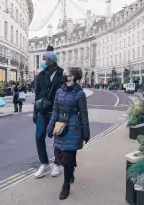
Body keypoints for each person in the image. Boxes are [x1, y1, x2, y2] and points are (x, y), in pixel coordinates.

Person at [46, 67, 90, 200]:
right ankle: (70, 172)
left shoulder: (80, 93)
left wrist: (85, 132)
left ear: (73, 77)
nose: (64, 76)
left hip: (74, 127)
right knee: (59, 155)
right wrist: (50, 126)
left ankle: (66, 186)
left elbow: (83, 114)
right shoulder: (59, 91)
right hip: (60, 126)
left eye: (67, 74)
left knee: (68, 157)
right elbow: (55, 111)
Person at [33, 48, 66, 178]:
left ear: (52, 61)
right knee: (39, 136)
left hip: (57, 111)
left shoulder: (62, 74)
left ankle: (57, 164)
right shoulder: (41, 75)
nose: (43, 62)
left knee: (58, 137)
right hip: (43, 110)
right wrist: (35, 112)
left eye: (45, 60)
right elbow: (37, 94)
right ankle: (44, 163)